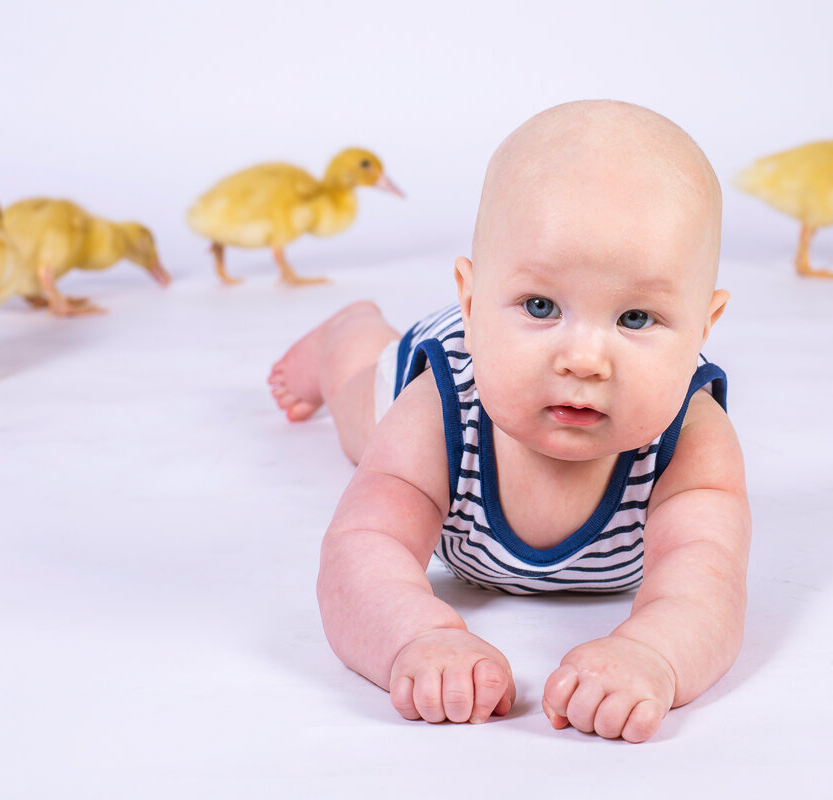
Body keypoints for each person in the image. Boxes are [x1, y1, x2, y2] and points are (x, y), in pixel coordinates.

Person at [268, 100, 751, 743]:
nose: (583, 359)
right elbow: (362, 547)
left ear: (702, 328)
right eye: (542, 305)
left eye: (636, 318)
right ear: (471, 302)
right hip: (457, 373)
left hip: (516, 363)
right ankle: (347, 334)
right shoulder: (438, 406)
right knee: (362, 413)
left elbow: (708, 580)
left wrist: (654, 654)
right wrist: (417, 637)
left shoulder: (690, 436)